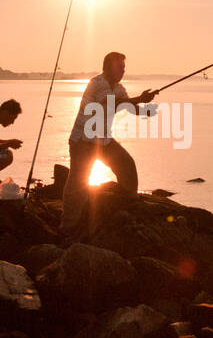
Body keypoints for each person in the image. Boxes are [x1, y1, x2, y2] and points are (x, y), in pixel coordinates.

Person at [60, 52, 156, 238]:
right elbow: (110, 103)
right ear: (108, 67)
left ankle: (128, 202)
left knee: (127, 165)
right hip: (83, 141)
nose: (123, 70)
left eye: (124, 67)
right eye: (120, 67)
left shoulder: (118, 87)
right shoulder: (98, 83)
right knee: (77, 185)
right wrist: (139, 99)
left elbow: (126, 105)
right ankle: (68, 228)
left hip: (103, 140)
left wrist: (145, 110)